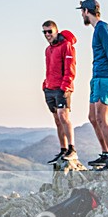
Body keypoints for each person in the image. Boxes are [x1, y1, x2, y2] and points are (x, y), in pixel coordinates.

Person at [76, 0, 108, 168]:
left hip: (105, 78)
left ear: (87, 11)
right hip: (96, 77)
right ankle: (105, 154)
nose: (81, 15)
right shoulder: (97, 29)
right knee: (92, 117)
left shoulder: (103, 28)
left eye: (82, 11)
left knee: (102, 119)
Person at [41, 20, 77, 163]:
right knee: (57, 120)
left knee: (64, 117)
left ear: (56, 31)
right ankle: (63, 150)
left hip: (62, 89)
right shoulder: (48, 49)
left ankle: (72, 149)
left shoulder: (66, 46)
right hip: (49, 88)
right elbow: (49, 69)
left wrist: (65, 86)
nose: (47, 34)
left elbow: (70, 68)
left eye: (50, 31)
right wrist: (45, 85)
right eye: (44, 32)